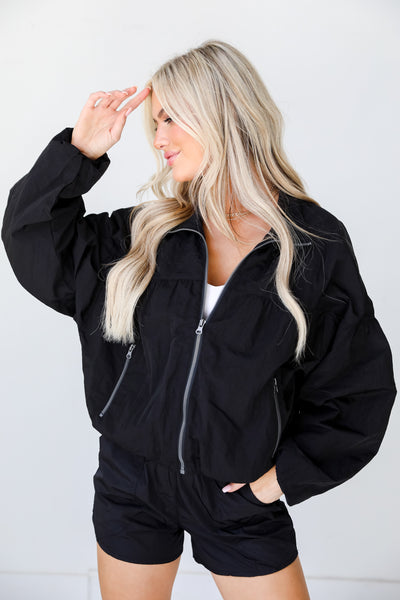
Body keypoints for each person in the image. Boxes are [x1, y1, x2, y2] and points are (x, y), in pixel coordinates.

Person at [2, 39, 396, 600]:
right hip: (131, 485)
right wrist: (78, 153)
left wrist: (278, 482)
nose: (158, 138)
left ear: (223, 112)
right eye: (154, 122)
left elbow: (357, 383)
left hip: (237, 498)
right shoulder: (145, 234)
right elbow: (34, 241)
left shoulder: (311, 243)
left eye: (170, 118)